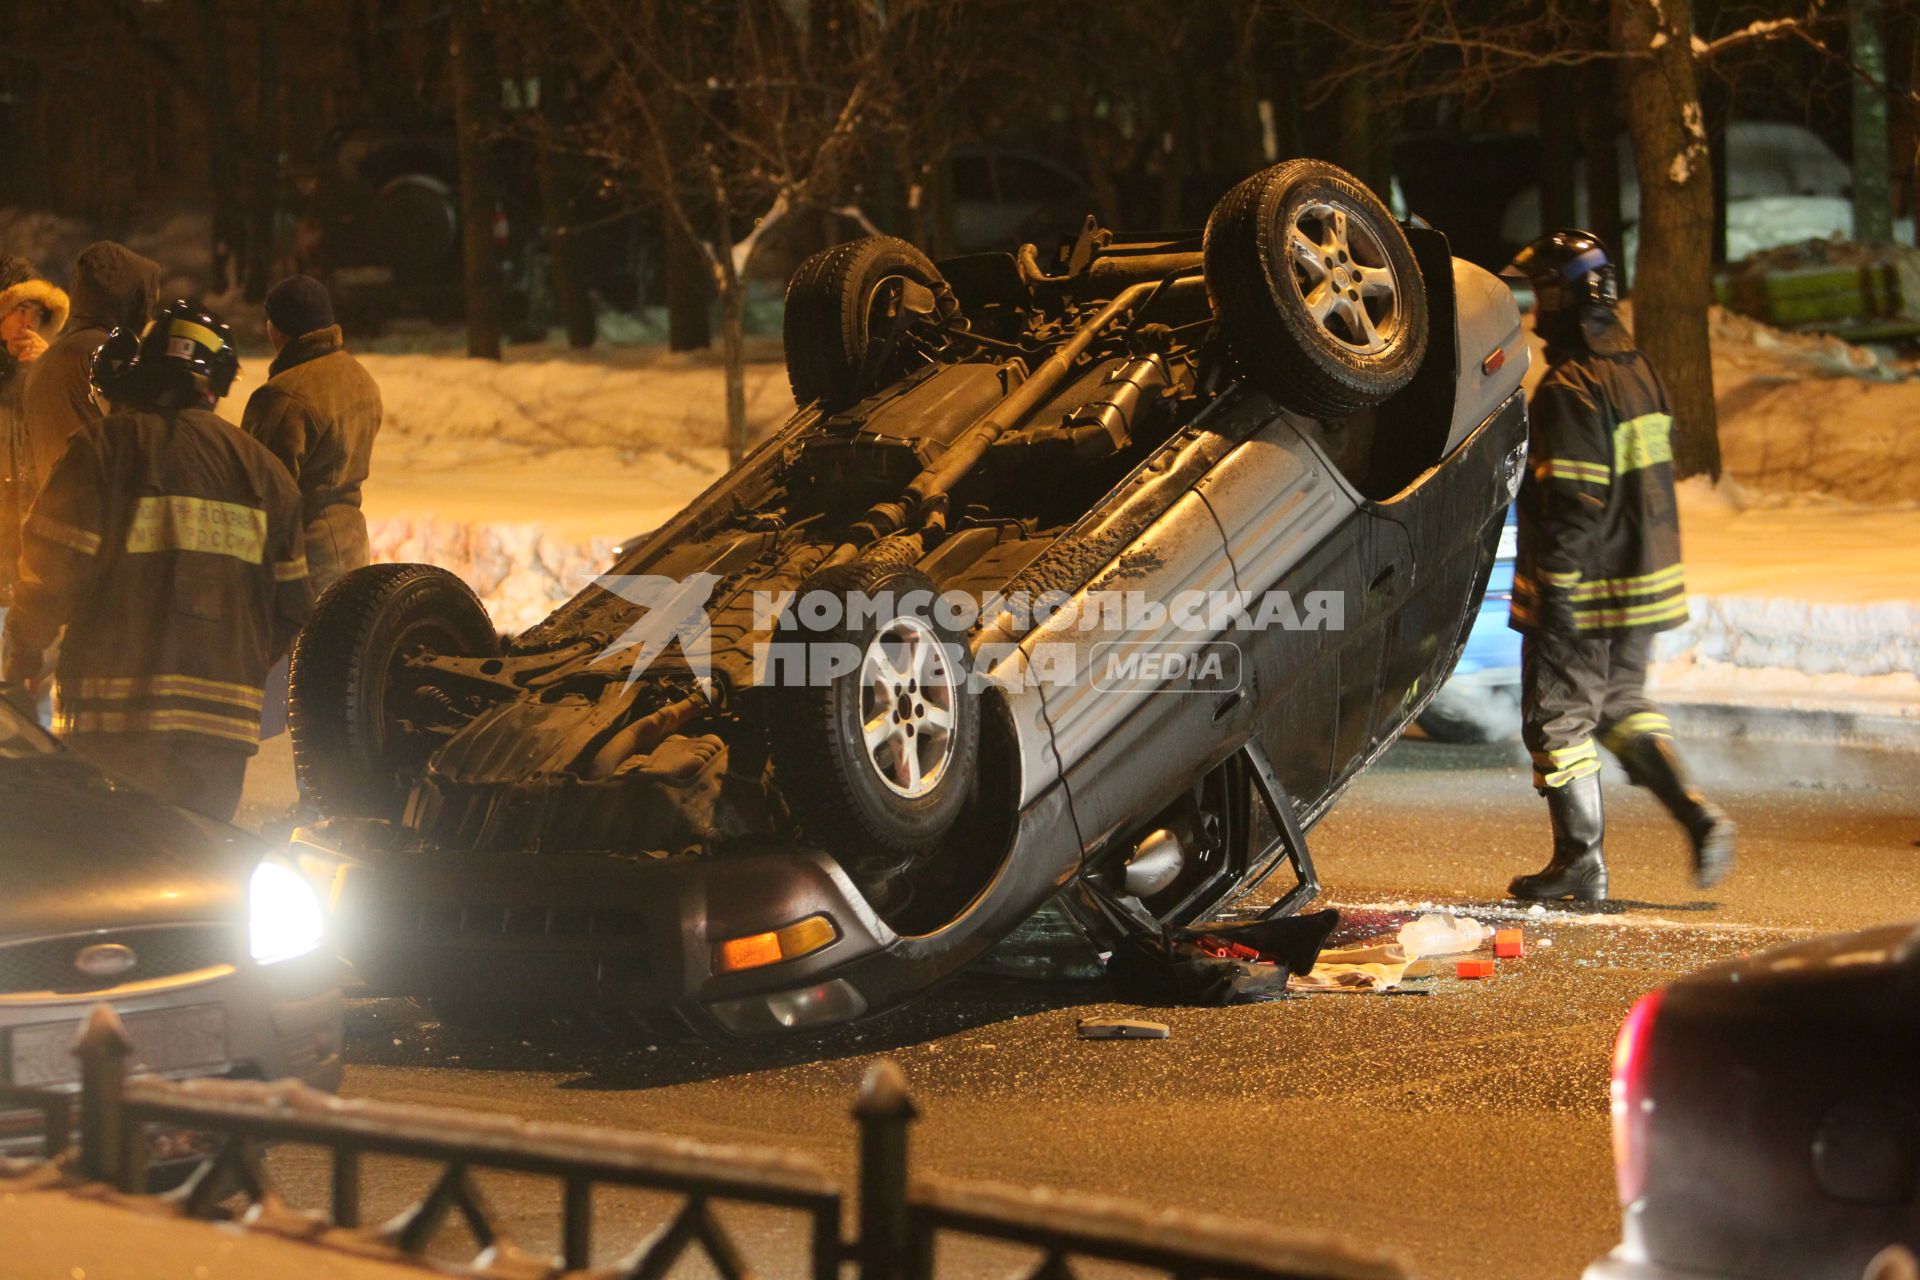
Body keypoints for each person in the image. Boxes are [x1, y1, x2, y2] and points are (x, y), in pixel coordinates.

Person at [0, 302, 311, 822]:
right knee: (196, 874)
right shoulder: (267, 474)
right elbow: (293, 608)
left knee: (111, 874)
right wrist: (233, 664)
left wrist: (22, 658)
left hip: (112, 723)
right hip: (220, 735)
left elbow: (52, 571)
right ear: (218, 379)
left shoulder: (104, 448)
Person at [1501, 229, 1734, 902]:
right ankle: (1697, 812)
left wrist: (1558, 592)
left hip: (1588, 584)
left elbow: (1574, 501)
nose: (1534, 310)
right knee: (1622, 705)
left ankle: (1581, 863)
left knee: (1558, 719)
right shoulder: (1637, 368)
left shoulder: (1571, 384)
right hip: (1642, 580)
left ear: (1563, 297)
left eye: (1539, 294)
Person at [242, 275, 381, 598]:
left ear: (276, 329)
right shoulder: (360, 378)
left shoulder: (283, 397)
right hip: (353, 546)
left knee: (301, 649)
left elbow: (264, 491)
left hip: (301, 561)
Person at [21, 240, 159, 491]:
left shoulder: (46, 360)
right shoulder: (110, 353)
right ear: (128, 298)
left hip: (55, 512)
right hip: (104, 516)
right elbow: (144, 443)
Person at [1, 258, 68, 606]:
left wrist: (47, 371)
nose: (28, 323)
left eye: (36, 313)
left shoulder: (52, 367)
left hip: (33, 542)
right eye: (18, 310)